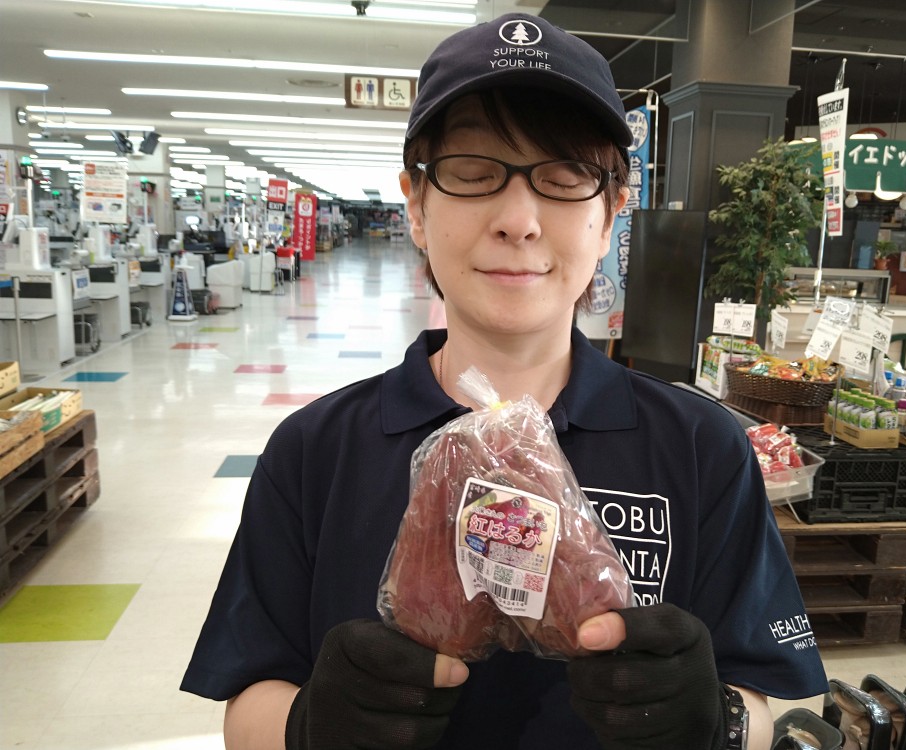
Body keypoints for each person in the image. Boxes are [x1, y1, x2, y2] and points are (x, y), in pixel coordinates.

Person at [181, 12, 828, 749]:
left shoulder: (700, 444)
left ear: (611, 213)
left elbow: (760, 698)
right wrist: (308, 727)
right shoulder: (313, 450)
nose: (518, 220)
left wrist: (719, 722)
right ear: (417, 205)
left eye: (565, 177)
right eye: (472, 172)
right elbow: (247, 704)